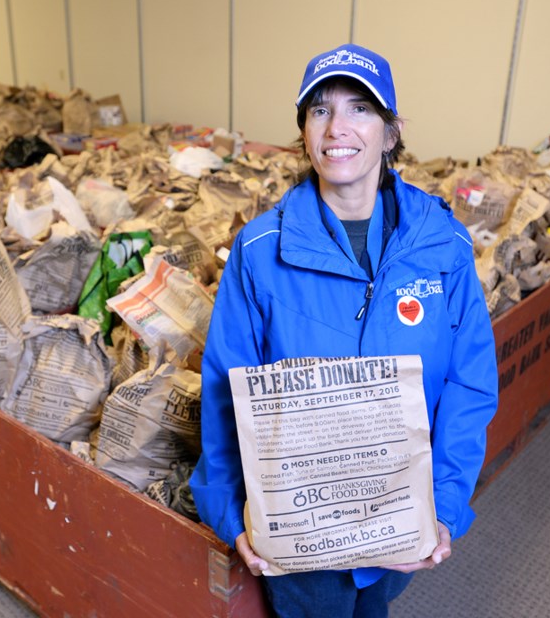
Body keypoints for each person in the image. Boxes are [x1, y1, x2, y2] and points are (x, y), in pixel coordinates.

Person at [189, 43, 499, 617]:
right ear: (304, 131)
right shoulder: (260, 253)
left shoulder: (443, 247)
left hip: (399, 511)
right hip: (302, 526)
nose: (339, 127)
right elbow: (224, 389)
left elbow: (469, 383)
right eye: (321, 110)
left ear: (390, 132)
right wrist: (234, 515)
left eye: (360, 109)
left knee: (374, 608)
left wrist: (444, 506)